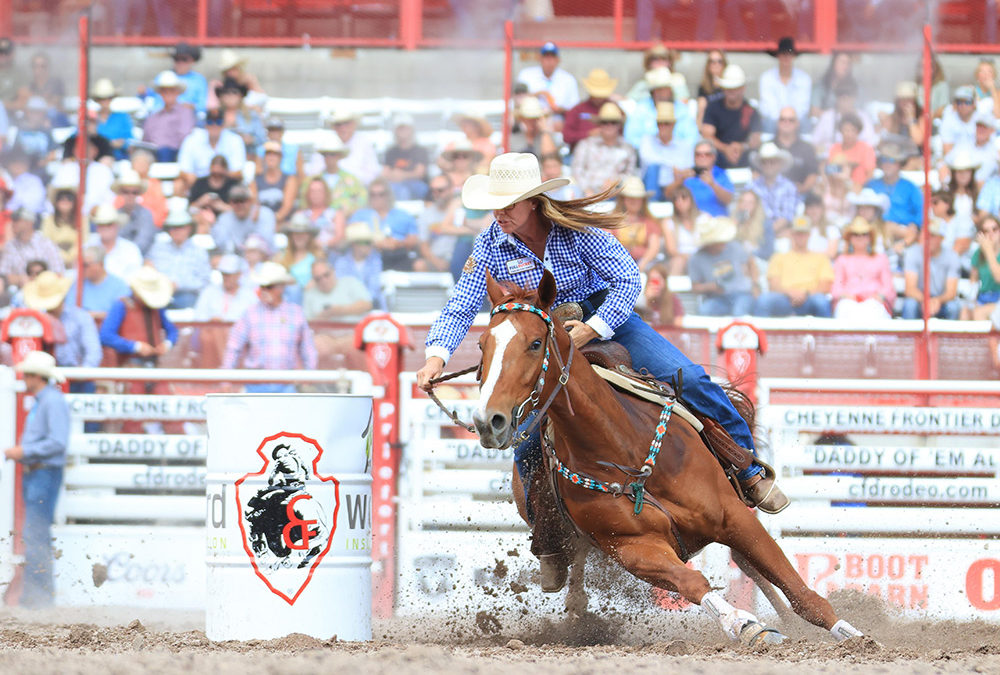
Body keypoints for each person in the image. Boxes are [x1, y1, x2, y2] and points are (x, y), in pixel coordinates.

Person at [415, 153, 787, 588]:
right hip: (543, 340)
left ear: (533, 202)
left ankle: (747, 470)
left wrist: (591, 329)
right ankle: (549, 540)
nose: (500, 213)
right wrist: (436, 357)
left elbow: (628, 280)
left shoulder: (580, 233)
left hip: (607, 321)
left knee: (691, 379)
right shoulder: (489, 245)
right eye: (496, 205)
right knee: (526, 442)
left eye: (509, 204)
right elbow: (461, 303)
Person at [3, 351, 69, 609]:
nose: (25, 378)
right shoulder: (46, 401)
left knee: (36, 533)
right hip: (39, 472)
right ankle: (36, 597)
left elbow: (58, 442)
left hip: (43, 472)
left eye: (28, 374)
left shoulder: (50, 402)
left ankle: (38, 599)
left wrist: (25, 451)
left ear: (36, 376)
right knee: (34, 533)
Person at [221, 261, 317, 392]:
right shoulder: (250, 314)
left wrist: (309, 377)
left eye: (269, 287)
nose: (264, 291)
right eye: (262, 287)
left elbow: (308, 350)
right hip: (256, 383)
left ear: (281, 288)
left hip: (287, 384)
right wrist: (225, 380)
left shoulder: (296, 313)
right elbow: (233, 348)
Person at [754, 217, 834, 318]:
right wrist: (790, 293)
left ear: (809, 235)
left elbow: (825, 285)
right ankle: (762, 333)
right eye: (797, 233)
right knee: (764, 300)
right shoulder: (779, 257)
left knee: (821, 302)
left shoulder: (821, 258)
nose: (801, 237)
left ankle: (825, 334)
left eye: (803, 233)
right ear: (791, 234)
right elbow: (773, 285)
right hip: (785, 298)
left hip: (810, 298)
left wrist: (805, 294)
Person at [23, 271, 102, 370]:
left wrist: (82, 373)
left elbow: (93, 352)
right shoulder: (36, 320)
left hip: (76, 374)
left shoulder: (80, 317)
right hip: (43, 374)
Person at [99, 266, 178, 366]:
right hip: (129, 364)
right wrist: (135, 346)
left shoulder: (157, 307)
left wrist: (167, 344)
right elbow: (106, 336)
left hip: (154, 363)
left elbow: (172, 330)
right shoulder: (121, 305)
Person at [688, 215, 757, 316]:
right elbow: (695, 288)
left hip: (741, 294)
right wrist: (709, 287)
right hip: (717, 298)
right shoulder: (696, 259)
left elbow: (751, 263)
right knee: (705, 310)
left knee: (739, 313)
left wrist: (755, 284)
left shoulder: (734, 247)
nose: (723, 243)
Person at [147, 203, 212, 309]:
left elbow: (204, 281)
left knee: (189, 300)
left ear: (189, 228)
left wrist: (179, 284)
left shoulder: (199, 251)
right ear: (168, 230)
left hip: (187, 296)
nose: (176, 231)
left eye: (180, 227)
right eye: (173, 227)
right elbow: (148, 269)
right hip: (159, 295)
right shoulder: (157, 249)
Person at [348, 177, 420, 271]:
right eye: (373, 194)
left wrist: (398, 243)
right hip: (369, 256)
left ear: (388, 195)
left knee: (418, 264)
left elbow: (414, 239)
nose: (377, 198)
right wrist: (375, 243)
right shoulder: (360, 215)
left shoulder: (402, 215)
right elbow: (353, 237)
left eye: (381, 194)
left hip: (398, 254)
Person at [831, 217, 895, 321]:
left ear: (870, 237)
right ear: (850, 238)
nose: (860, 237)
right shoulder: (842, 260)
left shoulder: (881, 258)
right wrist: (846, 296)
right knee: (845, 307)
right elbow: (836, 287)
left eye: (864, 234)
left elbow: (888, 286)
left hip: (874, 302)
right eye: (855, 234)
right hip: (849, 302)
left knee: (874, 308)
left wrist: (880, 296)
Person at [700, 64, 761, 169]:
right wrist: (726, 149)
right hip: (717, 160)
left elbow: (756, 139)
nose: (731, 91)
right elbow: (707, 135)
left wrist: (742, 147)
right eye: (728, 87)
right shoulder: (713, 107)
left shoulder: (751, 110)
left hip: (744, 160)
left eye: (735, 88)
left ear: (743, 88)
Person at [570, 102, 637, 196]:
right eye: (605, 122)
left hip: (617, 195)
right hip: (586, 194)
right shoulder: (585, 144)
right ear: (600, 125)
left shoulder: (628, 148)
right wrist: (587, 190)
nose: (609, 125)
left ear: (619, 125)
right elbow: (576, 170)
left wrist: (616, 182)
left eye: (613, 122)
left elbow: (631, 174)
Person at [900, 218, 961, 320]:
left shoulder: (952, 256)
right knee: (910, 305)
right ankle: (908, 336)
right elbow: (910, 289)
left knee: (953, 307)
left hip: (940, 300)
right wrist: (926, 300)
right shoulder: (912, 253)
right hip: (920, 299)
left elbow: (951, 292)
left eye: (932, 235)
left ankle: (949, 336)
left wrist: (937, 301)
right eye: (926, 234)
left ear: (942, 238)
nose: (928, 239)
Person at [624, 66, 697, 150]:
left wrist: (675, 149)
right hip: (648, 156)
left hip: (678, 156)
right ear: (652, 92)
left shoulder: (682, 109)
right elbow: (631, 137)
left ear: (671, 90)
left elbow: (692, 138)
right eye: (658, 90)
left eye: (665, 89)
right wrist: (652, 150)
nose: (661, 93)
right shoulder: (641, 109)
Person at [177, 108, 246, 192]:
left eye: (218, 122)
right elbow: (184, 171)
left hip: (227, 187)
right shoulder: (192, 139)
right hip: (198, 186)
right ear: (205, 124)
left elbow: (237, 172)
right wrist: (203, 184)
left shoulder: (235, 140)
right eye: (210, 122)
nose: (214, 126)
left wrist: (216, 177)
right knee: (178, 185)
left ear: (224, 124)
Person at [866, 141, 922, 242]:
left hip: (903, 232)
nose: (887, 164)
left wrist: (915, 225)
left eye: (892, 160)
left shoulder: (911, 188)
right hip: (875, 231)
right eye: (884, 160)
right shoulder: (871, 185)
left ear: (900, 164)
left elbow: (921, 211)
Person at [638, 101, 694, 201]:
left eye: (666, 123)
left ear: (673, 124)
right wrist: (673, 167)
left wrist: (679, 173)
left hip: (675, 186)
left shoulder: (684, 145)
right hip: (653, 185)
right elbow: (648, 160)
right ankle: (652, 203)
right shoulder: (647, 140)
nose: (663, 126)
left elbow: (688, 170)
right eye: (660, 123)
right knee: (653, 169)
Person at [749, 142, 797, 254]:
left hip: (777, 235)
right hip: (756, 234)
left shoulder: (789, 187)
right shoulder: (752, 186)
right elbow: (747, 212)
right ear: (761, 165)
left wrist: (767, 234)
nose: (769, 165)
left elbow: (786, 217)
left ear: (779, 164)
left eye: (772, 162)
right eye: (765, 162)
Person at [757, 37, 812, 133]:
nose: (786, 57)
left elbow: (803, 107)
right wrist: (783, 121)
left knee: (805, 123)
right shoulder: (766, 78)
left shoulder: (804, 78)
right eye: (783, 54)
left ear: (793, 56)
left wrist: (789, 121)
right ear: (778, 55)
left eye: (789, 54)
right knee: (767, 123)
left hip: (796, 123)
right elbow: (768, 107)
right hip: (774, 123)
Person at [141, 70, 197, 162]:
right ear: (160, 93)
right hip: (153, 154)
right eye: (164, 91)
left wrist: (162, 145)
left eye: (171, 90)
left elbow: (184, 137)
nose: (168, 93)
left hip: (175, 154)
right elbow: (145, 140)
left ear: (177, 92)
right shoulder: (153, 117)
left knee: (165, 151)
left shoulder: (185, 113)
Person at [0, 207, 64, 288]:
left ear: (29, 223)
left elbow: (58, 272)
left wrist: (39, 280)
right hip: (19, 292)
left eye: (17, 220)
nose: (13, 223)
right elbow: (3, 275)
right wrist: (20, 279)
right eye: (13, 220)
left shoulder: (46, 244)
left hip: (45, 290)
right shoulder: (10, 246)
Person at [515, 42, 580, 119]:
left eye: (552, 57)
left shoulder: (568, 79)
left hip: (557, 119)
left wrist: (559, 110)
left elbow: (574, 108)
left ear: (558, 60)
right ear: (540, 58)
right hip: (530, 118)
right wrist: (539, 94)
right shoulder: (526, 74)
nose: (549, 61)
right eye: (546, 57)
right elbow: (517, 100)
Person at [612, 176, 663, 272]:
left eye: (637, 198)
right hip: (618, 265)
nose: (634, 201)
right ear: (623, 199)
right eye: (630, 197)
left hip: (644, 264)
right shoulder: (612, 222)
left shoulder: (650, 223)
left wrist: (643, 263)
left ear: (642, 200)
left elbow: (654, 247)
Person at [67, 245, 130, 321]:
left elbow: (122, 314)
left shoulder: (119, 286)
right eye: (79, 265)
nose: (81, 269)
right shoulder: (77, 284)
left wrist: (94, 315)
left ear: (100, 264)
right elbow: (69, 311)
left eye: (85, 265)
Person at [562, 69, 618, 151]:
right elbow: (567, 136)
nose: (599, 98)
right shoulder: (578, 110)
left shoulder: (615, 108)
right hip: (582, 152)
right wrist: (588, 134)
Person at [334, 223, 386, 310]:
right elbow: (342, 288)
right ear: (354, 244)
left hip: (371, 308)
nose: (370, 246)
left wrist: (362, 304)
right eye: (366, 242)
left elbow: (374, 288)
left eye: (370, 243)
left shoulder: (376, 261)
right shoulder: (341, 263)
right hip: (348, 308)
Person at [211, 184, 276, 255]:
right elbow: (222, 245)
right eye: (235, 201)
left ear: (250, 201)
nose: (239, 205)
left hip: (262, 258)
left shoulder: (265, 213)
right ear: (230, 203)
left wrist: (253, 223)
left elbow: (266, 242)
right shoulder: (224, 219)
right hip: (234, 258)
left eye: (242, 201)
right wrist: (213, 225)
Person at [303, 258, 372, 322]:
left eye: (326, 275)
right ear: (313, 280)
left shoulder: (350, 282)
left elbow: (367, 305)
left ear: (333, 271)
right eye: (318, 279)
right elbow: (307, 323)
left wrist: (339, 311)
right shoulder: (310, 294)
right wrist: (322, 317)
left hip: (353, 331)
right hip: (322, 333)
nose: (323, 280)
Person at [87, 203, 143, 281]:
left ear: (117, 226)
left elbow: (135, 278)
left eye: (109, 224)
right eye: (101, 224)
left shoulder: (130, 250)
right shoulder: (88, 245)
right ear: (97, 227)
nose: (105, 228)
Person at [194, 253, 256, 321]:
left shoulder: (249, 295)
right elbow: (199, 316)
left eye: (229, 274)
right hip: (212, 330)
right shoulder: (209, 291)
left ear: (239, 274)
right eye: (223, 274)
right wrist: (212, 322)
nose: (225, 278)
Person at [381, 113, 430, 201]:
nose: (403, 131)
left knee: (405, 190)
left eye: (405, 128)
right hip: (396, 185)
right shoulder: (391, 152)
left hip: (416, 185)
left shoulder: (420, 150)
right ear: (395, 131)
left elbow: (419, 173)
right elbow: (385, 174)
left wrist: (401, 175)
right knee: (394, 189)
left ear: (412, 130)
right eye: (400, 128)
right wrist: (401, 175)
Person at [773, 107, 819, 194]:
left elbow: (813, 174)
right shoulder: (768, 146)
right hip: (769, 197)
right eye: (783, 119)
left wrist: (803, 189)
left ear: (797, 123)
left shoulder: (807, 148)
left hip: (799, 196)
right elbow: (757, 173)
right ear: (777, 123)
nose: (787, 123)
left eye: (791, 120)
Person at [327, 111, 380, 185]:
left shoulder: (365, 142)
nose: (342, 128)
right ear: (333, 127)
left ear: (354, 124)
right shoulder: (325, 143)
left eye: (346, 123)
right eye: (338, 124)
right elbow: (315, 172)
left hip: (359, 190)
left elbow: (373, 173)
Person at [217, 76, 265, 156]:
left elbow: (262, 139)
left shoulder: (252, 115)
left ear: (240, 95)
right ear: (221, 96)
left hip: (247, 155)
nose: (230, 95)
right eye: (226, 92)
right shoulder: (214, 116)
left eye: (234, 92)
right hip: (221, 159)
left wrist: (251, 140)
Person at [252, 140, 298, 224]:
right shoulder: (256, 180)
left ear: (280, 157)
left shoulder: (289, 179)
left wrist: (274, 220)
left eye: (275, 155)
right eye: (268, 154)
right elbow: (254, 204)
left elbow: (287, 207)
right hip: (261, 223)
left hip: (282, 223)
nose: (271, 157)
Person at [964, 214, 1000, 321]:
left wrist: (988, 250)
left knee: (979, 313)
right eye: (986, 231)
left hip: (998, 298)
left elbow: (998, 277)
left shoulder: (987, 251)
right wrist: (971, 303)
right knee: (965, 313)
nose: (991, 234)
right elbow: (973, 281)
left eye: (995, 229)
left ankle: (986, 339)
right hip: (983, 296)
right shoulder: (978, 254)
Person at [114, 168, 157, 256]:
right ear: (121, 193)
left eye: (134, 192)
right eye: (126, 192)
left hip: (140, 259)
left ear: (138, 194)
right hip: (118, 260)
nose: (130, 195)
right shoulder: (115, 214)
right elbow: (113, 241)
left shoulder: (146, 214)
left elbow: (143, 243)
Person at [684, 141, 734, 216]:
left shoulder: (722, 174)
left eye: (707, 154)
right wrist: (679, 180)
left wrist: (713, 185)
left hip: (717, 222)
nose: (702, 157)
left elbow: (728, 200)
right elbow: (671, 197)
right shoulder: (686, 175)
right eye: (698, 154)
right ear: (694, 157)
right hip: (693, 222)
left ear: (713, 157)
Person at [40, 179, 79, 269]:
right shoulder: (48, 220)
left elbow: (83, 241)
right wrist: (64, 257)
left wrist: (71, 256)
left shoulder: (82, 219)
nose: (65, 202)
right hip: (54, 260)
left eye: (69, 198)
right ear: (55, 202)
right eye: (61, 198)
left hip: (76, 260)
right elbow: (47, 242)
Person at [91, 78, 132, 160]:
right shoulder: (90, 118)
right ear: (97, 99)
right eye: (101, 98)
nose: (105, 101)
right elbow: (77, 137)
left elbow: (130, 141)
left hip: (118, 159)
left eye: (108, 97)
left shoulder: (122, 117)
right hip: (95, 160)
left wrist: (121, 143)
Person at [665, 185, 701, 275]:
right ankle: (673, 289)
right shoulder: (669, 222)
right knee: (678, 262)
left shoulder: (703, 218)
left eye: (684, 197)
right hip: (681, 258)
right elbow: (672, 250)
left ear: (691, 200)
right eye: (675, 199)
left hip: (702, 257)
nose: (679, 201)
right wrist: (689, 257)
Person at [811, 51, 857, 118]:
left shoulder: (855, 86)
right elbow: (814, 111)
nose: (845, 66)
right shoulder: (822, 85)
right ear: (833, 64)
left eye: (848, 63)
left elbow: (859, 110)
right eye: (842, 62)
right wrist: (833, 117)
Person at [639, 262, 683, 327]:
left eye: (659, 279)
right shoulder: (642, 300)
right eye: (653, 280)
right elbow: (639, 323)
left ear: (664, 281)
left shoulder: (672, 299)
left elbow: (679, 324)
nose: (656, 284)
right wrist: (647, 300)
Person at [940, 86, 978, 157]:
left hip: (978, 160)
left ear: (974, 104)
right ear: (955, 105)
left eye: (967, 102)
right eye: (959, 102)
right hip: (957, 162)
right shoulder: (948, 121)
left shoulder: (981, 119)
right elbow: (948, 152)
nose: (963, 105)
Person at [695, 49, 726, 129]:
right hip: (710, 124)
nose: (716, 64)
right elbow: (701, 111)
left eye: (719, 61)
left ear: (724, 64)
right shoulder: (703, 87)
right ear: (708, 65)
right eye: (712, 61)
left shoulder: (730, 85)